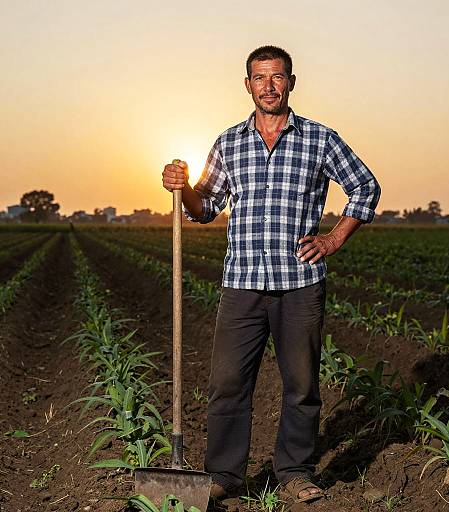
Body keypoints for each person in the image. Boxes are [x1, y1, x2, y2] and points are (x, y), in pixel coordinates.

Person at [162, 45, 381, 505]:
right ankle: (224, 475)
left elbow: (366, 185)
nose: (269, 86)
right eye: (260, 78)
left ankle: (294, 471)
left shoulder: (320, 139)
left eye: (277, 77)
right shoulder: (228, 142)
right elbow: (205, 207)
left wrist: (333, 239)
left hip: (299, 285)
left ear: (291, 82)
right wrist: (183, 191)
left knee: (301, 386)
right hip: (241, 284)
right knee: (226, 384)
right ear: (247, 85)